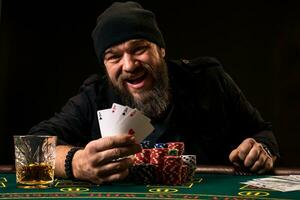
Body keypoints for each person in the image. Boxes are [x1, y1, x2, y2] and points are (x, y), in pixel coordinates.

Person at [29, 1, 279, 184]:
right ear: (104, 65)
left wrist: (262, 150)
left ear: (161, 49)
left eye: (139, 49)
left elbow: (262, 133)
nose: (129, 65)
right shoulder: (95, 96)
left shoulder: (208, 80)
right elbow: (32, 148)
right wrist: (75, 162)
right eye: (114, 56)